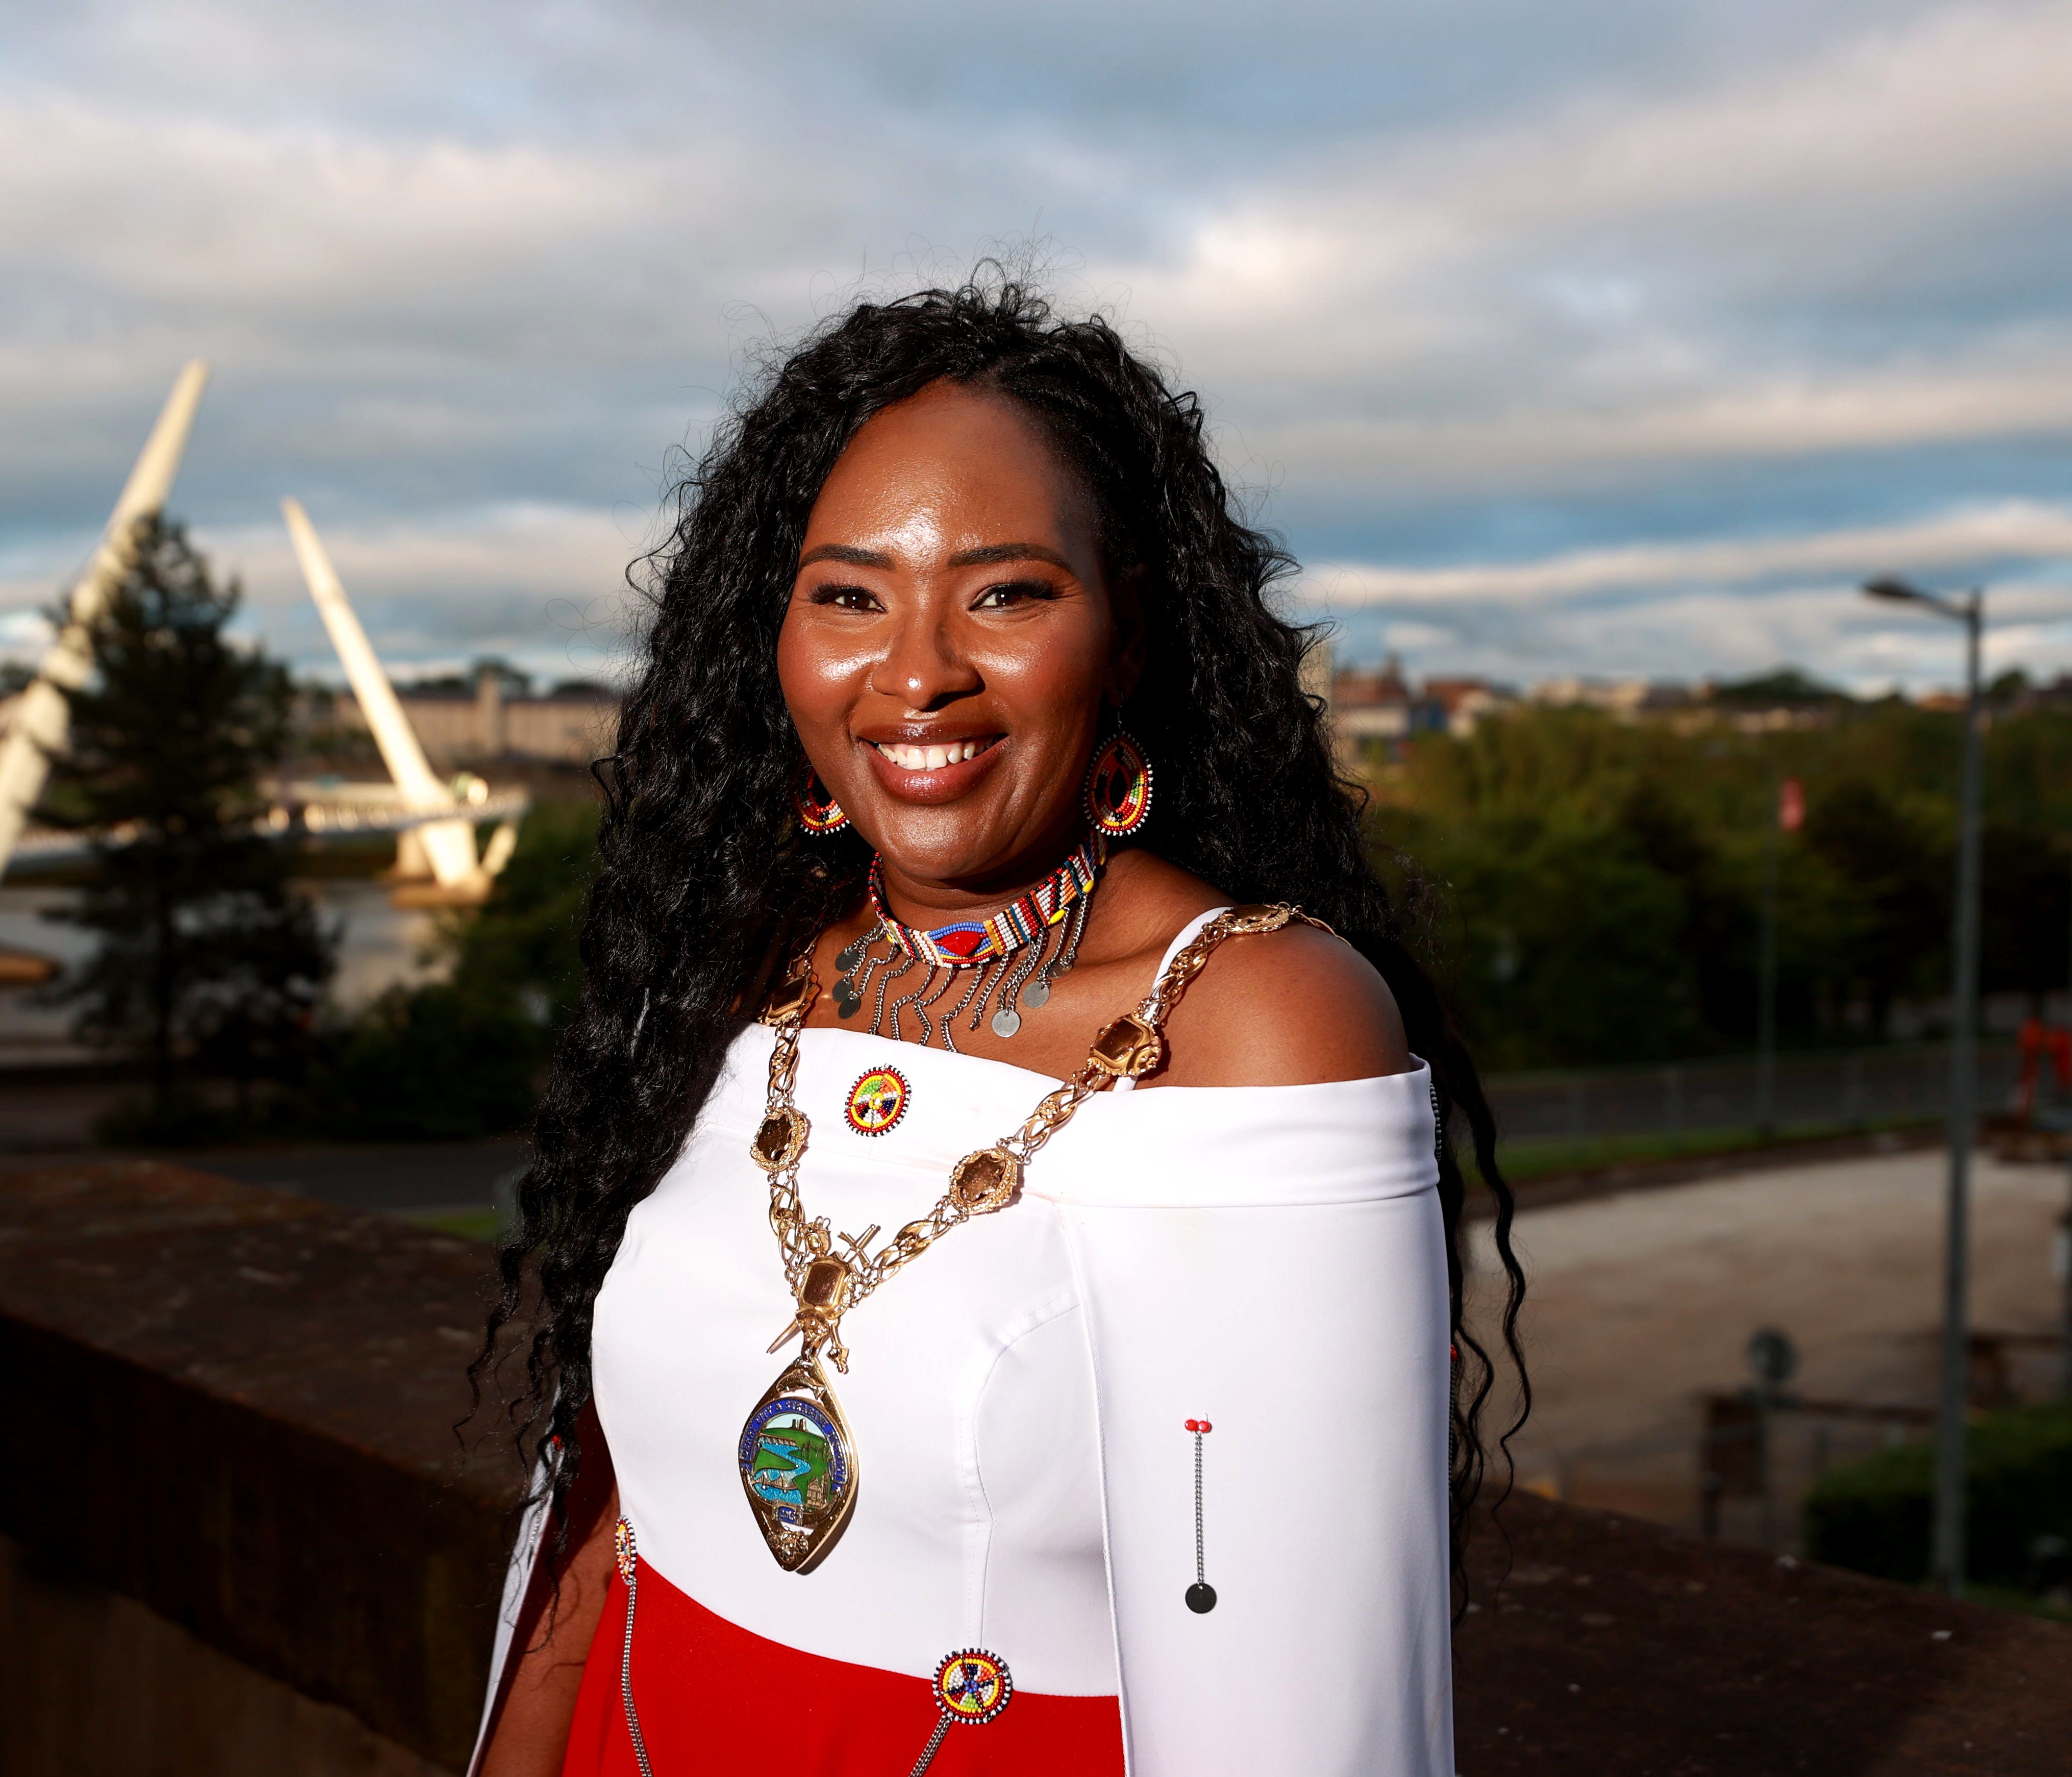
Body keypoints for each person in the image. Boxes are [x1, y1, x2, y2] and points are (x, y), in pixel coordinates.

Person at [473, 278, 1524, 1777]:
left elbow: (1314, 1709)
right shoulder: (736, 962)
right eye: (848, 594)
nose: (916, 672)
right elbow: (604, 1503)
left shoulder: (1256, 1022)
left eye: (1006, 591)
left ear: (1128, 629)